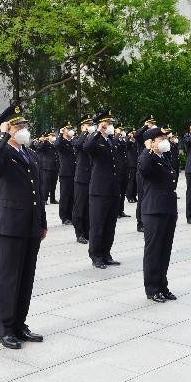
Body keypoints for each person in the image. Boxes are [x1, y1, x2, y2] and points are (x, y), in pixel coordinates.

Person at [0, 101, 46, 349]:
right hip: (9, 225)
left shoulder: (28, 153)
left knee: (26, 277)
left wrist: (42, 222)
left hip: (30, 224)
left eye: (23, 125)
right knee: (9, 277)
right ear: (9, 128)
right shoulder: (2, 152)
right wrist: (2, 133)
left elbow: (37, 191)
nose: (23, 129)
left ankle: (20, 324)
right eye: (18, 125)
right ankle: (5, 328)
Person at [138, 126, 178, 302]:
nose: (165, 141)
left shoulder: (164, 157)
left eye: (165, 138)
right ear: (152, 142)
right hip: (154, 210)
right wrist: (148, 149)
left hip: (168, 208)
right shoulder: (147, 157)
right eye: (161, 139)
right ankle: (152, 288)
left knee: (165, 250)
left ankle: (163, 285)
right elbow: (145, 169)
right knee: (154, 251)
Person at [84, 109, 123, 269]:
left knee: (110, 224)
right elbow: (86, 147)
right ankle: (96, 255)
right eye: (108, 123)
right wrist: (98, 132)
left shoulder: (110, 140)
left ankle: (106, 253)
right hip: (99, 190)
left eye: (111, 123)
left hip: (112, 188)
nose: (111, 125)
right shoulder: (96, 139)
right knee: (98, 224)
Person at [71, 115, 94, 243]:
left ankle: (87, 231)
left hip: (92, 176)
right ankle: (79, 233)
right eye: (87, 125)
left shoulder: (93, 138)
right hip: (81, 177)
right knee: (79, 206)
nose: (90, 127)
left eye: (91, 125)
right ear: (82, 127)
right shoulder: (78, 138)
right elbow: (79, 145)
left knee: (88, 207)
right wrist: (85, 132)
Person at [54, 122, 76, 225]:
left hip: (74, 172)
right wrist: (60, 134)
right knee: (65, 195)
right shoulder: (61, 142)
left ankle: (71, 215)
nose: (70, 130)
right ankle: (64, 216)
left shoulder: (72, 141)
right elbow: (57, 144)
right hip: (65, 172)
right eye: (68, 129)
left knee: (72, 195)